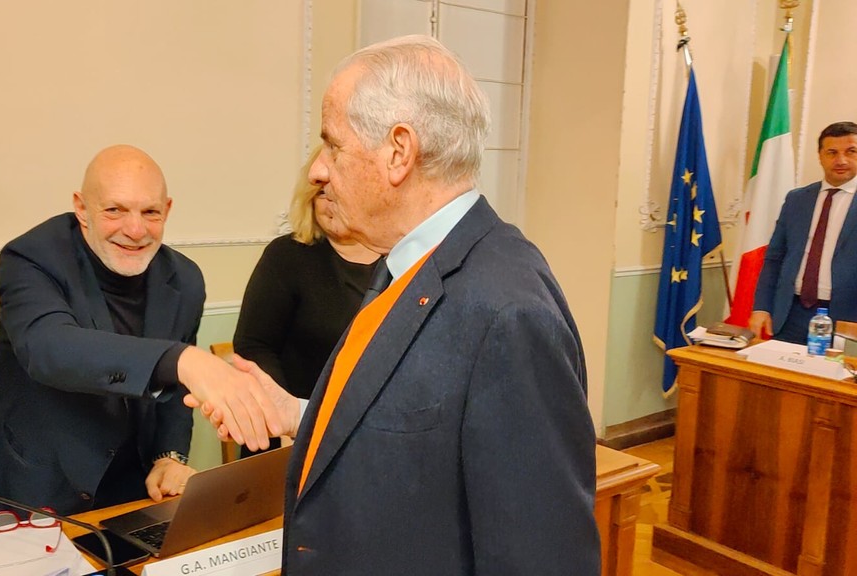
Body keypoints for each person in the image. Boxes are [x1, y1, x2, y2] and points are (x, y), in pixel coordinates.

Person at [192, 36, 599, 574]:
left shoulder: (508, 312)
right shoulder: (408, 263)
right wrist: (297, 413)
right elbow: (413, 438)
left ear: (399, 151)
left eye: (333, 146)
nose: (317, 170)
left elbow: (541, 557)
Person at [0, 145, 282, 528]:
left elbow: (175, 392)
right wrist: (182, 359)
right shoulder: (31, 258)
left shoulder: (185, 279)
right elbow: (48, 348)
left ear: (168, 210)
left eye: (150, 213)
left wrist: (169, 457)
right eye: (115, 210)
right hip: (31, 494)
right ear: (81, 208)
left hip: (132, 499)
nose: (135, 230)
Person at [234, 148, 379, 401]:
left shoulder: (396, 255)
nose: (331, 201)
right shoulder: (286, 255)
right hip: (298, 414)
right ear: (309, 199)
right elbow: (254, 346)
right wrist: (287, 410)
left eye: (341, 190)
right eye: (321, 193)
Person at [750, 122, 857, 343]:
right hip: (790, 314)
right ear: (820, 156)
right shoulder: (797, 199)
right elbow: (774, 258)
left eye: (851, 151)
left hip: (848, 320)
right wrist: (761, 307)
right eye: (832, 152)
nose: (841, 160)